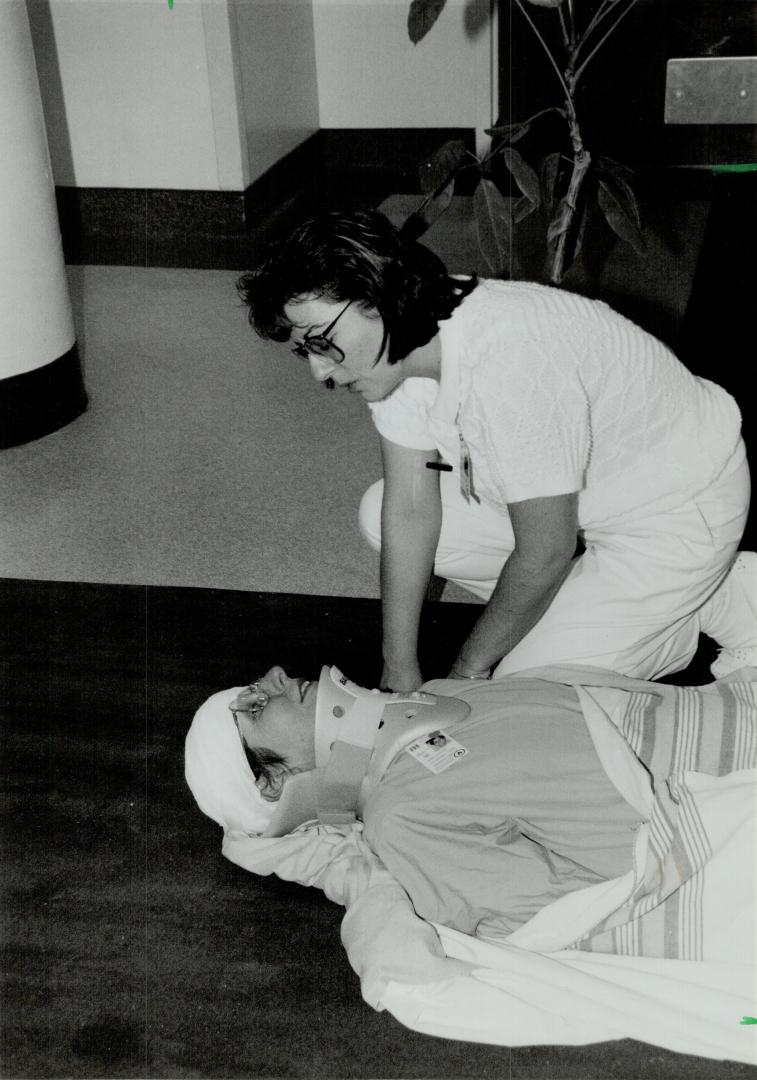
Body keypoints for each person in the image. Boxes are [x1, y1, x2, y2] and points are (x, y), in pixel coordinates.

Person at [238, 209, 754, 691]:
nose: (319, 371)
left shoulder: (511, 359)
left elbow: (546, 550)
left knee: (521, 689)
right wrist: (400, 669)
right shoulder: (404, 347)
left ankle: (696, 604)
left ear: (377, 296)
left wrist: (467, 673)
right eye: (304, 349)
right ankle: (636, 603)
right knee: (380, 512)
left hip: (677, 511)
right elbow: (411, 509)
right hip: (586, 507)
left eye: (321, 340)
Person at [185, 659, 757, 945]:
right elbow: (562, 911)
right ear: (272, 786)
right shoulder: (402, 820)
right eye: (256, 707)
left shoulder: (437, 700)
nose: (277, 674)